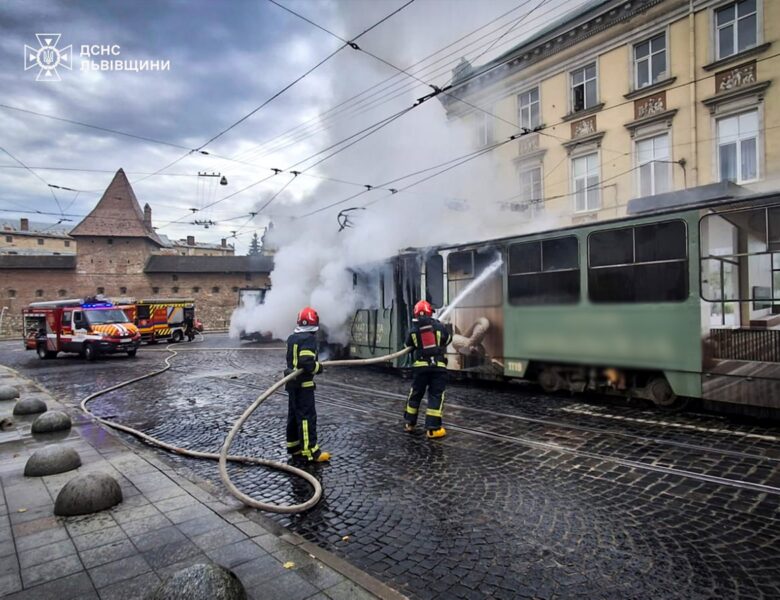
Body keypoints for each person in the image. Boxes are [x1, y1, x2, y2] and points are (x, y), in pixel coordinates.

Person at [285, 306, 330, 463]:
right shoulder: (309, 339)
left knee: (293, 416)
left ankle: (294, 447)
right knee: (307, 418)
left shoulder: (292, 338)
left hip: (291, 384)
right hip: (304, 385)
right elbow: (306, 362)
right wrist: (319, 367)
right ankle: (311, 451)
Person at [403, 300, 452, 438]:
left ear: (416, 313)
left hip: (421, 369)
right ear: (430, 312)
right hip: (438, 368)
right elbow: (448, 340)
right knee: (436, 396)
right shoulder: (438, 326)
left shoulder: (413, 330)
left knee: (416, 394)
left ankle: (409, 424)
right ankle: (433, 429)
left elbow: (407, 345)